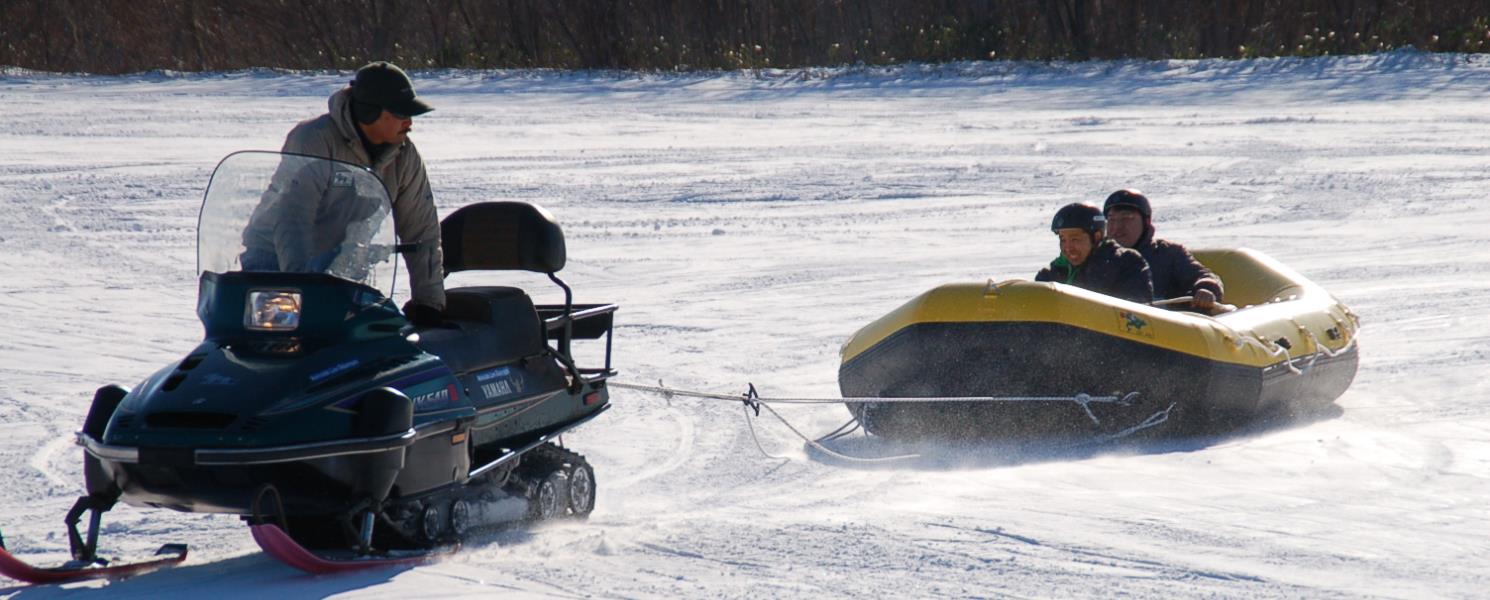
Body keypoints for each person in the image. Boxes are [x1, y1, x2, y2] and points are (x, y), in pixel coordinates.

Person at [241, 61, 446, 325]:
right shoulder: (314, 139)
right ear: (370, 113)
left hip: (338, 271)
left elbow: (422, 230)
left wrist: (428, 303)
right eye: (400, 113)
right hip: (274, 266)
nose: (409, 121)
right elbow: (293, 218)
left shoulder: (404, 156)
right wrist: (302, 291)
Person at [1102, 189, 1224, 311]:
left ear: (1146, 222)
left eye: (1126, 218)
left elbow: (1203, 276)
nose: (1117, 227)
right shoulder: (1098, 258)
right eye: (1111, 220)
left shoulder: (1168, 254)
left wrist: (1206, 289)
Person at [1035, 202, 1153, 303]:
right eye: (1063, 240)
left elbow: (1135, 312)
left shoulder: (1126, 263)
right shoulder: (1051, 274)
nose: (1068, 247)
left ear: (1096, 237)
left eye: (1075, 239)